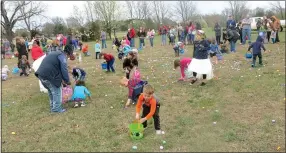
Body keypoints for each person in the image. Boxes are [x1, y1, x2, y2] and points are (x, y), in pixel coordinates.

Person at [35, 45, 72, 113]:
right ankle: (56, 109)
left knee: (51, 91)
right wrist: (67, 81)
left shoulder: (55, 53)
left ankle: (53, 107)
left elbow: (57, 67)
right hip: (49, 75)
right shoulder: (62, 56)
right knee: (57, 92)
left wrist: (63, 80)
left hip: (41, 74)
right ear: (68, 54)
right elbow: (64, 69)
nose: (68, 58)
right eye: (68, 57)